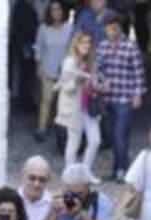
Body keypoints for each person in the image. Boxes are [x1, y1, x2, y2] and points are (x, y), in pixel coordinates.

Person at [96, 10, 146, 182]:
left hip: (125, 97)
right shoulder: (102, 46)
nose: (112, 32)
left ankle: (122, 170)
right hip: (108, 98)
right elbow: (99, 70)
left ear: (119, 28)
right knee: (110, 135)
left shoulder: (130, 46)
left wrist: (137, 95)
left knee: (120, 134)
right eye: (108, 29)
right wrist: (101, 83)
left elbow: (139, 72)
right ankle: (117, 168)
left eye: (114, 29)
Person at [56, 31, 103, 181]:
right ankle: (69, 174)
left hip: (89, 107)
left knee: (95, 140)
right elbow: (65, 88)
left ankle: (85, 172)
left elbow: (94, 83)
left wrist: (97, 86)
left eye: (89, 42)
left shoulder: (91, 62)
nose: (87, 46)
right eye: (83, 42)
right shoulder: (69, 62)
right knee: (73, 142)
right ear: (76, 44)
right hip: (73, 108)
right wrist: (77, 81)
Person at [34, 1, 73, 142]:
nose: (56, 12)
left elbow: (72, 48)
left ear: (63, 11)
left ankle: (59, 130)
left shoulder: (69, 28)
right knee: (46, 100)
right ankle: (41, 129)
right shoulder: (43, 28)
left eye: (58, 9)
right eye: (53, 10)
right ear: (49, 12)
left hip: (64, 71)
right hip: (47, 69)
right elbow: (38, 48)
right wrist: (38, 66)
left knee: (61, 103)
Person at [10, 0, 41, 112]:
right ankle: (25, 102)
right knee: (27, 74)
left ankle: (25, 101)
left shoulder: (20, 6)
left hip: (23, 44)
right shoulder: (24, 7)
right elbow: (29, 27)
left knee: (25, 74)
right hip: (26, 45)